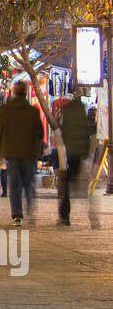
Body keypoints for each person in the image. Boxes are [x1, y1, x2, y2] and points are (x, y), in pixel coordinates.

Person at [0, 82, 43, 225]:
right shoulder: (33, 111)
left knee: (14, 184)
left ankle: (17, 215)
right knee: (28, 183)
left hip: (11, 153)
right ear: (26, 93)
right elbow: (39, 133)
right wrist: (37, 150)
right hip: (29, 153)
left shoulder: (4, 110)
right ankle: (30, 209)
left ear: (13, 93)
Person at [57, 91, 98, 228]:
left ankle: (64, 215)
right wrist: (86, 151)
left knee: (67, 183)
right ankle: (92, 216)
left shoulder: (67, 112)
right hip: (80, 153)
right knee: (77, 183)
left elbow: (63, 131)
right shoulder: (82, 113)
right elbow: (86, 133)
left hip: (70, 153)